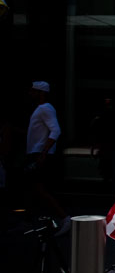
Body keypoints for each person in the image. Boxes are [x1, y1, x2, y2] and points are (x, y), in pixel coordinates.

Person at [25, 81, 71, 232]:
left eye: (34, 91)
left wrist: (43, 153)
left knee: (39, 188)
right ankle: (37, 222)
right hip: (38, 153)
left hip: (39, 154)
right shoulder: (42, 109)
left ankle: (63, 218)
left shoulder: (45, 108)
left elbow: (55, 131)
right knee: (35, 188)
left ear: (41, 93)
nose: (30, 93)